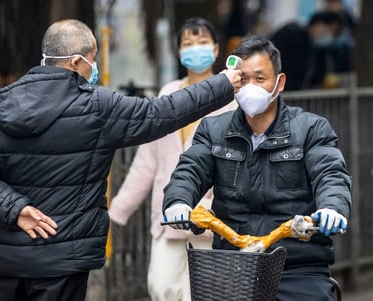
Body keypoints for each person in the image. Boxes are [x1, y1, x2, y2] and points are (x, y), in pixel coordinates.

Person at [0, 19, 242, 301]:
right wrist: (223, 83)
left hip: (3, 263)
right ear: (75, 62)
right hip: (63, 264)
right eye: (93, 60)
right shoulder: (97, 107)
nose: (94, 68)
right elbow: (164, 112)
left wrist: (15, 209)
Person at [162, 36, 351, 300]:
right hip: (233, 267)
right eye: (244, 79)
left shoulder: (311, 129)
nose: (251, 87)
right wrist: (178, 201)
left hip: (298, 267)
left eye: (260, 79)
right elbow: (190, 170)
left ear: (280, 82)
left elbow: (330, 173)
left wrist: (332, 208)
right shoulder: (213, 129)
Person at [108, 17, 238, 301]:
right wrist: (118, 210)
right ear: (179, 53)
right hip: (169, 213)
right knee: (161, 287)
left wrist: (216, 204)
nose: (196, 49)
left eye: (202, 42)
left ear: (217, 50)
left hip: (214, 218)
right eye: (188, 44)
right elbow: (147, 160)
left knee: (204, 292)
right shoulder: (168, 93)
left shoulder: (233, 99)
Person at [270, 10, 353, 90]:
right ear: (318, 24)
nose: (329, 35)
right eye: (329, 30)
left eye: (334, 34)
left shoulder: (319, 50)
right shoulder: (291, 34)